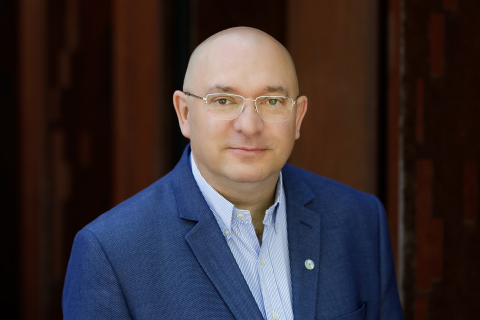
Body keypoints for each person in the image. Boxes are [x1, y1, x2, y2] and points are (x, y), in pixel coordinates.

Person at [63, 27, 403, 320]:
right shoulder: (111, 252)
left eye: (272, 102)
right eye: (223, 100)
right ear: (184, 113)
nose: (249, 126)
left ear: (298, 117)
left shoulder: (359, 221)